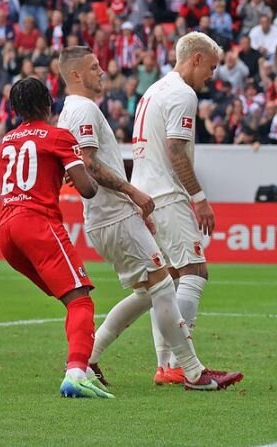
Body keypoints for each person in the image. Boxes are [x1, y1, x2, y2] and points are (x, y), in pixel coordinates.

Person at [58, 47, 233, 391]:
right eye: (94, 68)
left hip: (118, 210)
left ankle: (88, 358)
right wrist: (133, 193)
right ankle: (187, 370)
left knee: (151, 288)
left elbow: (78, 162)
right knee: (175, 280)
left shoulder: (147, 92)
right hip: (122, 210)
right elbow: (89, 162)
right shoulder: (83, 109)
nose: (102, 72)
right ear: (76, 75)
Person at [130, 32, 243, 387]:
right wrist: (200, 199)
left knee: (166, 283)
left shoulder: (154, 90)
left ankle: (165, 365)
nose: (211, 75)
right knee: (195, 272)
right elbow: (176, 150)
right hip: (168, 195)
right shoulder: (182, 93)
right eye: (210, 67)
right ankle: (183, 363)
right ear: (195, 58)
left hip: (146, 194)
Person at [0, 78, 108, 398]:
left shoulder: (6, 141)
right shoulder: (58, 136)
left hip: (6, 230)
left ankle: (81, 364)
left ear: (14, 110)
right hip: (37, 223)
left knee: (70, 299)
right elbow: (87, 188)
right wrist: (80, 174)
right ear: (48, 103)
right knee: (80, 299)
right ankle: (76, 373)